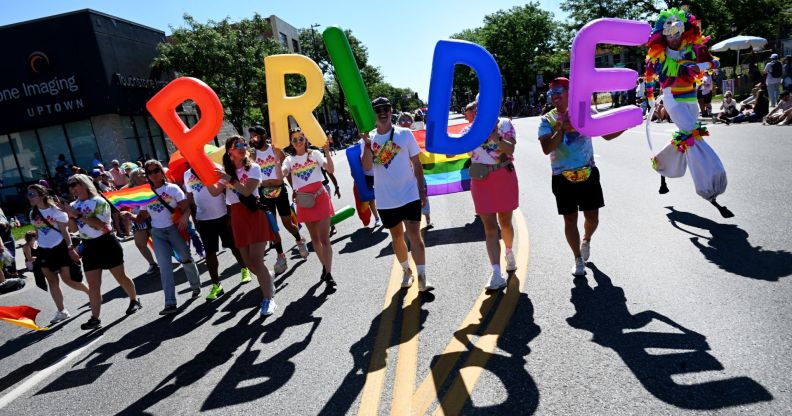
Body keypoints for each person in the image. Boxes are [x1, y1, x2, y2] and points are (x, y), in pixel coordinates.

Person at [644, 7, 733, 218]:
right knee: (693, 135)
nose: (674, 38)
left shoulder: (692, 48)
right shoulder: (659, 54)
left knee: (687, 136)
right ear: (661, 35)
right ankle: (710, 188)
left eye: (677, 33)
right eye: (669, 34)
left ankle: (662, 165)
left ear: (684, 30)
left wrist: (695, 65)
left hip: (691, 96)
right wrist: (649, 100)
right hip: (671, 97)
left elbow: (715, 62)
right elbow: (648, 76)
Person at [538, 77, 624, 276]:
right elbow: (546, 148)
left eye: (559, 90)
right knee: (570, 220)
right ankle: (577, 259)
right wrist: (562, 127)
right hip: (562, 176)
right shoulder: (547, 120)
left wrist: (626, 125)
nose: (555, 95)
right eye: (552, 93)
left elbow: (607, 134)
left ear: (571, 92)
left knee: (592, 218)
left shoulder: (586, 111)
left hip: (588, 172)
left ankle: (586, 239)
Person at [362, 97, 433, 291]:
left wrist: (422, 189)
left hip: (409, 194)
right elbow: (367, 167)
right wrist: (367, 146)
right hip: (385, 199)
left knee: (415, 235)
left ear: (391, 110)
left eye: (386, 108)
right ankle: (406, 272)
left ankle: (422, 276)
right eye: (378, 110)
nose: (383, 112)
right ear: (374, 113)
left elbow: (417, 165)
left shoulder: (404, 134)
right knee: (397, 237)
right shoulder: (369, 138)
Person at [62, 174, 141, 330]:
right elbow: (73, 229)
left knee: (120, 277)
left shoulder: (98, 201)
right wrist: (70, 216)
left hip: (106, 242)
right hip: (89, 246)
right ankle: (95, 318)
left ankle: (134, 300)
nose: (72, 188)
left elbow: (102, 226)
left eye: (75, 184)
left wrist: (77, 214)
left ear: (85, 184)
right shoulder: (74, 204)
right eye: (70, 185)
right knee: (93, 284)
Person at [211, 135, 278, 316]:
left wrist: (229, 180)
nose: (241, 147)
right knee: (249, 263)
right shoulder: (225, 172)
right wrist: (203, 173)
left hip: (254, 214)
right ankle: (268, 278)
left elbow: (247, 191)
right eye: (236, 145)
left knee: (256, 259)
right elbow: (214, 191)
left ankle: (269, 298)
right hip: (237, 217)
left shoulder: (254, 167)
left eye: (243, 144)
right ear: (229, 151)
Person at [128, 160, 201, 315]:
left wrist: (184, 218)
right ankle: (170, 303)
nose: (153, 174)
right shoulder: (145, 194)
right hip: (157, 232)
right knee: (165, 268)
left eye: (156, 170)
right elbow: (141, 217)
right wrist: (130, 216)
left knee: (185, 258)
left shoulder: (172, 188)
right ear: (147, 175)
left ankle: (195, 285)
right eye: (150, 172)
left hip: (175, 229)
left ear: (162, 172)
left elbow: (187, 207)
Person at [459, 101, 518, 289]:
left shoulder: (505, 124)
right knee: (490, 228)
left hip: (503, 176)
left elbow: (510, 149)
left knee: (506, 223)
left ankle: (509, 252)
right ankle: (496, 273)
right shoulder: (468, 130)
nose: (480, 111)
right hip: (481, 180)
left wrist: (495, 136)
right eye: (477, 109)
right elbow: (458, 152)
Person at [249, 125, 309, 274]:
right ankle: (281, 256)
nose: (253, 139)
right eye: (251, 137)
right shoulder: (253, 155)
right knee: (272, 226)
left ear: (263, 136)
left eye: (255, 136)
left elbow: (287, 170)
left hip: (280, 190)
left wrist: (294, 187)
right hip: (264, 193)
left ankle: (299, 240)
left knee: (287, 223)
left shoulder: (275, 150)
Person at [183, 163, 249, 301]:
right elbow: (190, 197)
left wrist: (230, 214)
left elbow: (227, 191)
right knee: (210, 252)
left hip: (223, 216)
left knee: (234, 246)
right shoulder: (187, 174)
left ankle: (244, 269)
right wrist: (195, 219)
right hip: (203, 219)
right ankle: (216, 285)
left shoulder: (215, 168)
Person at [27, 184, 90, 323]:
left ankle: (91, 294)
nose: (29, 197)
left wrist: (69, 247)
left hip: (60, 247)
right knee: (52, 281)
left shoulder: (56, 211)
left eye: (32, 194)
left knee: (68, 280)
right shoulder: (33, 213)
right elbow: (37, 232)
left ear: (42, 195)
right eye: (28, 195)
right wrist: (34, 245)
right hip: (44, 250)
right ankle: (62, 311)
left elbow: (65, 231)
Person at [282, 128, 337, 286]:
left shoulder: (315, 154)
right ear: (291, 143)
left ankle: (328, 273)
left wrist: (326, 152)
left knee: (325, 239)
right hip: (304, 202)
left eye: (301, 138)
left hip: (320, 197)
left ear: (305, 139)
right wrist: (277, 161)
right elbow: (282, 173)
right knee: (315, 240)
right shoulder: (289, 160)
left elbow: (330, 169)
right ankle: (325, 268)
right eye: (294, 140)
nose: (298, 142)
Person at [120, 168, 158, 275]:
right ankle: (152, 264)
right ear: (134, 177)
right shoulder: (128, 189)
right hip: (137, 218)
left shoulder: (151, 185)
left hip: (153, 217)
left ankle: (165, 262)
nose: (145, 175)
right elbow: (121, 203)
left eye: (145, 173)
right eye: (142, 174)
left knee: (159, 242)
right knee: (140, 244)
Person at [397, 113, 428, 227]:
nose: (405, 122)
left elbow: (420, 157)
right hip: (403, 177)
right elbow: (383, 161)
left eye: (408, 120)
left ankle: (427, 216)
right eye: (403, 120)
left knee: (423, 192)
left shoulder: (417, 135)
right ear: (398, 122)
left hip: (416, 171)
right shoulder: (395, 136)